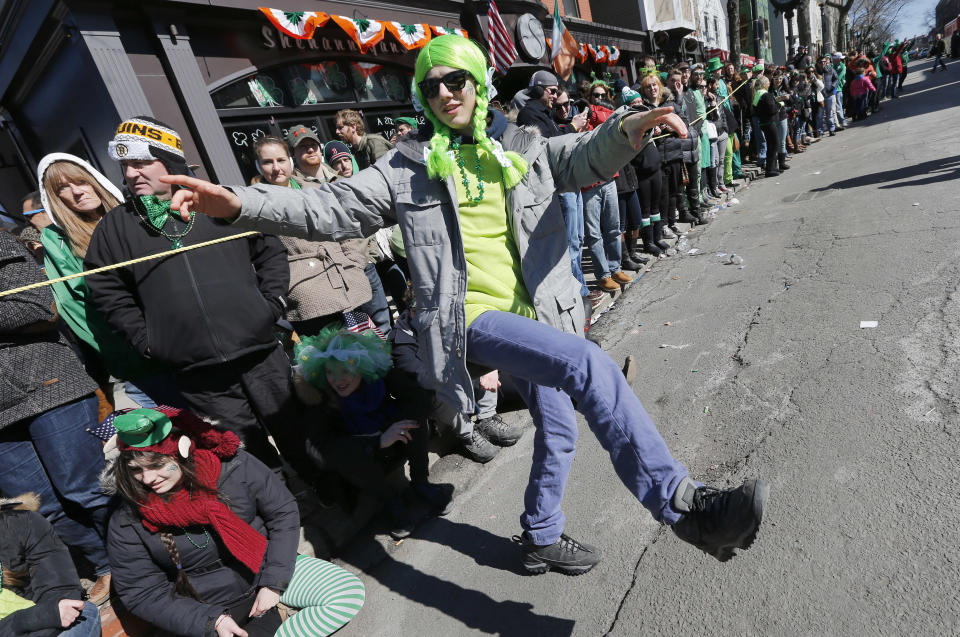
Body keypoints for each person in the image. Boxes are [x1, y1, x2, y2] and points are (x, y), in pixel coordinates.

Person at [162, 35, 770, 575]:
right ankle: (685, 507)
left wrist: (632, 126)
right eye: (432, 85)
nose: (446, 92)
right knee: (591, 367)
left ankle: (540, 536)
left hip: (536, 318)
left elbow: (586, 155)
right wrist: (238, 203)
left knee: (558, 429)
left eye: (457, 80)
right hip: (468, 321)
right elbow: (329, 209)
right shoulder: (404, 167)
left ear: (478, 84)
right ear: (423, 99)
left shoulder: (523, 145)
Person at [85, 116, 311, 479]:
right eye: (125, 166)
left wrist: (271, 306)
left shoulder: (218, 201)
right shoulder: (114, 228)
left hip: (258, 349)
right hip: (196, 371)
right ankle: (282, 509)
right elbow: (106, 292)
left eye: (141, 163)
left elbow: (270, 251)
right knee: (241, 452)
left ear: (170, 162)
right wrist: (148, 341)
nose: (131, 174)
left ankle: (331, 493)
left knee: (296, 429)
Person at [106, 406, 365, 636]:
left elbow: (283, 511)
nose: (148, 478)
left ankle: (282, 621)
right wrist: (211, 621)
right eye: (137, 470)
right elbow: (141, 591)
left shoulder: (233, 467)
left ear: (182, 451)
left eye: (158, 465)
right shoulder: (128, 518)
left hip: (267, 564)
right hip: (208, 602)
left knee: (346, 593)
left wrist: (274, 583)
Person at [0, 230, 112, 606]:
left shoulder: (2, 243)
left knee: (86, 489)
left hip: (48, 385)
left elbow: (36, 307)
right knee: (40, 506)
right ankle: (105, 566)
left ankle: (140, 556)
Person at [36, 153, 180, 409]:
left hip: (186, 337)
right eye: (63, 189)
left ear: (93, 180)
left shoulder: (136, 211)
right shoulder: (57, 239)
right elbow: (73, 302)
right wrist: (128, 350)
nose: (76, 192)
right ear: (54, 199)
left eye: (79, 182)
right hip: (139, 356)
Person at [292, 326, 454, 538]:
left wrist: (393, 427)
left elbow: (417, 398)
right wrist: (376, 442)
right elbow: (320, 451)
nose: (337, 380)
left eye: (345, 370)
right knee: (348, 456)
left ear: (361, 366)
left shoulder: (380, 375)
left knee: (413, 420)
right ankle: (391, 502)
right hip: (364, 459)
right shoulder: (321, 399)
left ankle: (421, 482)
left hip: (394, 440)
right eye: (330, 372)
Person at [251, 136, 373, 337]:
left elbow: (350, 225)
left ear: (290, 161)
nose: (276, 168)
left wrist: (353, 261)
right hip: (306, 296)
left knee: (368, 354)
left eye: (280, 160)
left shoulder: (316, 190)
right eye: (267, 162)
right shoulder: (256, 206)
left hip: (347, 281)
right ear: (258, 165)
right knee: (330, 362)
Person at [323, 139, 405, 334]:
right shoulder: (334, 189)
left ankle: (407, 335)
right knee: (378, 312)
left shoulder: (366, 179)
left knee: (401, 293)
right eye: (337, 163)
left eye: (346, 159)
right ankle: (389, 348)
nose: (344, 166)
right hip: (363, 258)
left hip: (383, 252)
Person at [0, 494, 101, 637]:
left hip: (42, 620)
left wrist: (45, 615)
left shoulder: (21, 523)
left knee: (83, 612)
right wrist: (23, 621)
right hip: (23, 623)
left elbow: (59, 586)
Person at [515, 70, 561, 137]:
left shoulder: (544, 112)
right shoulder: (529, 113)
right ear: (539, 91)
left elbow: (556, 133)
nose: (556, 96)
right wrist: (573, 127)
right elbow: (549, 142)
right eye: (553, 91)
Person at [753, 76, 782, 178]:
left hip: (763, 122)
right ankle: (770, 169)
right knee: (774, 145)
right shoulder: (766, 94)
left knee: (771, 145)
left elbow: (756, 110)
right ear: (764, 84)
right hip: (770, 122)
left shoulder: (757, 94)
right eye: (768, 81)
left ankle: (773, 167)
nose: (769, 83)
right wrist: (779, 105)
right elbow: (772, 109)